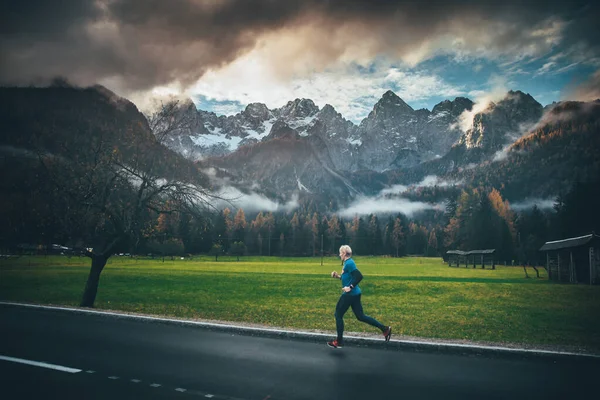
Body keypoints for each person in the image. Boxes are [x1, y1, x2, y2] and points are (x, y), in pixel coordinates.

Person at [327, 245, 392, 348]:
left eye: (340, 253)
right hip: (355, 294)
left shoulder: (349, 263)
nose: (339, 255)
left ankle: (339, 341)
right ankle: (385, 329)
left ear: (344, 253)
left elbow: (359, 276)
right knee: (361, 316)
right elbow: (348, 278)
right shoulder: (348, 263)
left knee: (338, 315)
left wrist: (350, 287)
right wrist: (338, 276)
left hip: (350, 294)